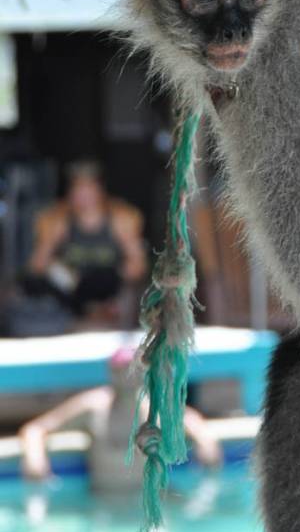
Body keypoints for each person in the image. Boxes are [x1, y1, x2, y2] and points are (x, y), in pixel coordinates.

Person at [19, 347, 222, 490]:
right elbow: (36, 429)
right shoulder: (93, 406)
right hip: (106, 503)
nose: (128, 375)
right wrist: (35, 460)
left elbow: (193, 420)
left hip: (152, 503)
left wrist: (205, 442)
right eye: (122, 369)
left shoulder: (158, 408)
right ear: (111, 372)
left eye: (134, 369)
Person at [24, 160, 148, 320]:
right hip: (71, 290)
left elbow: (138, 265)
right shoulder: (57, 219)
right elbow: (37, 265)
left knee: (112, 283)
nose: (83, 195)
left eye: (88, 189)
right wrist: (62, 274)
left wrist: (116, 276)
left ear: (100, 190)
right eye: (78, 189)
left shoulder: (121, 218)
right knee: (36, 285)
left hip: (107, 286)